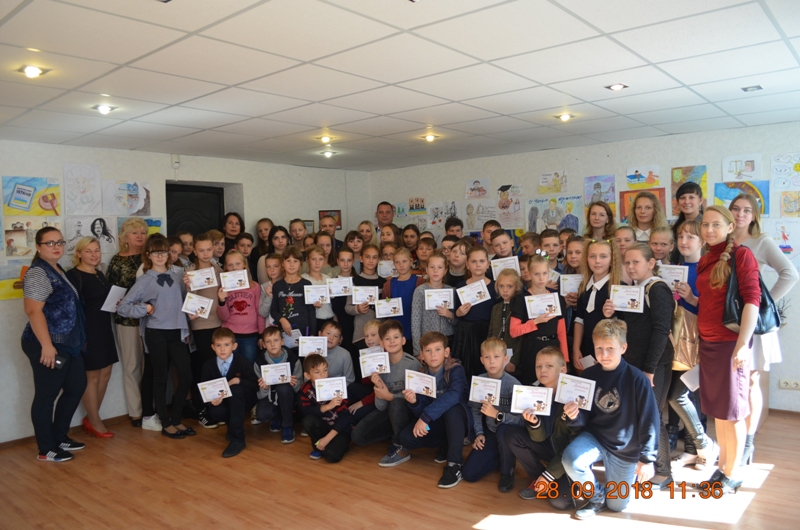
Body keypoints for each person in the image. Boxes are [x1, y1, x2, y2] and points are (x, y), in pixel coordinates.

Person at [561, 319, 660, 519]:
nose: (604, 355)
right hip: (596, 437)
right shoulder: (588, 375)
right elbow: (583, 418)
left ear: (623, 348)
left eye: (610, 348)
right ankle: (597, 496)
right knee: (571, 459)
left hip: (625, 448)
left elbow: (650, 421)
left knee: (617, 506)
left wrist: (647, 459)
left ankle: (620, 486)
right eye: (599, 348)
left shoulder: (637, 379)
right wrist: (574, 416)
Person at [696, 205, 762, 492]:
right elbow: (709, 300)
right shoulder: (706, 257)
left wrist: (743, 345)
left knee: (732, 411)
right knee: (719, 412)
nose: (709, 230)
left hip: (730, 345)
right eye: (705, 225)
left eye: (716, 225)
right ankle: (723, 466)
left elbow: (752, 300)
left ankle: (733, 473)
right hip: (709, 344)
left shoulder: (741, 255)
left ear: (730, 227)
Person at [731, 194, 798, 465]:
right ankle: (733, 439)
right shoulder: (721, 240)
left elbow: (790, 274)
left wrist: (762, 304)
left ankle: (748, 442)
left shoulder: (762, 242)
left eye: (747, 210)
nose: (740, 214)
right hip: (728, 321)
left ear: (754, 216)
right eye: (735, 209)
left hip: (754, 323)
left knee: (750, 382)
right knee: (733, 383)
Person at [601, 242, 674, 488]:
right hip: (634, 364)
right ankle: (640, 465)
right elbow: (630, 326)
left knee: (652, 416)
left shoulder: (658, 289)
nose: (631, 267)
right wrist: (612, 314)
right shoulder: (632, 290)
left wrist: (650, 369)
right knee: (638, 414)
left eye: (636, 262)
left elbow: (661, 331)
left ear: (651, 263)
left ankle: (663, 471)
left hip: (653, 365)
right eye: (627, 263)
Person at [117, 236, 193, 439]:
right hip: (156, 332)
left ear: (169, 254)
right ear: (148, 255)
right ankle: (165, 423)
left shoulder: (177, 276)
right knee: (160, 377)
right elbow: (123, 307)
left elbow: (185, 302)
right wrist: (145, 308)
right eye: (155, 252)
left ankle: (176, 418)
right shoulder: (144, 280)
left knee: (185, 376)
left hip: (176, 332)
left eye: (163, 252)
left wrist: (190, 290)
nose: (160, 256)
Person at [22, 227, 87, 462]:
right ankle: (46, 448)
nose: (56, 246)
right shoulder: (38, 273)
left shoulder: (57, 269)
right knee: (46, 394)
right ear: (38, 247)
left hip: (68, 343)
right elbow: (33, 311)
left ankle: (59, 436)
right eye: (49, 243)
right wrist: (47, 346)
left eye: (59, 242)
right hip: (46, 344)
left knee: (76, 386)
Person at [390, 331, 471, 489]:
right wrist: (415, 402)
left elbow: (454, 395)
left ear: (446, 352)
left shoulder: (456, 369)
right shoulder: (420, 375)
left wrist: (425, 417)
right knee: (406, 438)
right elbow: (420, 411)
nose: (433, 355)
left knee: (452, 408)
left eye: (437, 349)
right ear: (421, 355)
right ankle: (445, 443)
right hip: (436, 422)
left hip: (458, 422)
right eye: (428, 350)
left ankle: (454, 464)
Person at [500, 347, 577, 508]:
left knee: (560, 501)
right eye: (538, 366)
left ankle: (550, 478)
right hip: (549, 447)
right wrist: (534, 423)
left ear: (563, 370)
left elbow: (574, 447)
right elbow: (539, 438)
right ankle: (539, 479)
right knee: (512, 434)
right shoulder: (536, 394)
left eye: (549, 366)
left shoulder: (573, 398)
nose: (542, 370)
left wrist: (550, 474)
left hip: (569, 456)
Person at [669, 219, 717, 469]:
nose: (684, 241)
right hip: (675, 340)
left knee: (683, 395)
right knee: (682, 395)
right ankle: (693, 449)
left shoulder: (707, 269)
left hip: (698, 340)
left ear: (702, 241)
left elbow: (714, 310)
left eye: (690, 237)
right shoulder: (674, 268)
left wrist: (691, 298)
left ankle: (701, 445)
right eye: (680, 236)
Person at [66, 237, 118, 438]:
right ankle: (95, 421)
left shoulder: (99, 273)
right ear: (79, 254)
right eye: (88, 251)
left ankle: (91, 417)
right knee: (92, 376)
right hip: (87, 331)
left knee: (106, 373)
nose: (94, 254)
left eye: (97, 250)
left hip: (104, 328)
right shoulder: (73, 276)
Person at [462, 338, 523, 484]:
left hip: (509, 433)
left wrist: (498, 414)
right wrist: (479, 433)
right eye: (487, 357)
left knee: (502, 430)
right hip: (490, 431)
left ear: (505, 359)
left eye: (496, 357)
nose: (492, 362)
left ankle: (507, 470)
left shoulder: (514, 385)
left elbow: (522, 421)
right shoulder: (480, 381)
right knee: (469, 474)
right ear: (482, 360)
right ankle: (501, 456)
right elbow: (475, 410)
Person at [354, 320, 421, 451]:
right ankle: (394, 432)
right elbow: (381, 406)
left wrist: (390, 396)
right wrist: (378, 384)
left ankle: (399, 445)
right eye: (387, 338)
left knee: (396, 404)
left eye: (396, 337)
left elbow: (418, 399)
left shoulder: (413, 364)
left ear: (403, 340)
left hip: (407, 412)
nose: (392, 341)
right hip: (388, 411)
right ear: (382, 343)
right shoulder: (380, 366)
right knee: (358, 436)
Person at [107, 217, 148, 427]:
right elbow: (110, 291)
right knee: (132, 366)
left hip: (152, 319)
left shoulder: (151, 257)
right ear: (125, 237)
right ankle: (136, 412)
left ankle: (151, 408)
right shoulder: (117, 261)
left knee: (151, 366)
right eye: (135, 233)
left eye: (143, 232)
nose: (140, 236)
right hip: (127, 321)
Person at [183, 232, 223, 429]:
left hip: (219, 324)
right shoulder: (190, 272)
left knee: (217, 367)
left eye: (209, 249)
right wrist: (189, 287)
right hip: (200, 326)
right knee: (204, 367)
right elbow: (188, 302)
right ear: (194, 251)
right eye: (201, 250)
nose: (206, 254)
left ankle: (217, 409)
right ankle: (203, 410)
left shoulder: (218, 270)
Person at [510, 251, 568, 384]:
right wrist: (535, 322)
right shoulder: (521, 299)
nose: (541, 278)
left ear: (549, 273)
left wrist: (565, 358)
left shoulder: (557, 298)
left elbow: (561, 332)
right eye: (537, 274)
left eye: (544, 273)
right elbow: (513, 331)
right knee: (532, 386)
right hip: (531, 349)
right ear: (529, 274)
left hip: (553, 348)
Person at [199, 328, 258, 457]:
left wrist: (239, 380)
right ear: (213, 347)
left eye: (226, 345)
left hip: (245, 400)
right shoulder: (208, 365)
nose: (222, 349)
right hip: (223, 402)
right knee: (216, 412)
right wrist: (211, 401)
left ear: (234, 346)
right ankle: (232, 428)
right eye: (218, 345)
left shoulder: (242, 361)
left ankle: (238, 439)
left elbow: (255, 385)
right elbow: (203, 391)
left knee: (235, 390)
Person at [573, 238, 621, 370]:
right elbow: (579, 319)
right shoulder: (583, 286)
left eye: (603, 256)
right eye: (592, 256)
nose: (597, 261)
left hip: (608, 353)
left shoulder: (618, 288)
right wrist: (576, 348)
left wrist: (611, 316)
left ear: (612, 260)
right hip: (586, 349)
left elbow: (624, 326)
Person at [452, 247, 498, 376]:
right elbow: (456, 312)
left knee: (486, 367)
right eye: (474, 261)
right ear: (467, 265)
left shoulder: (495, 287)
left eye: (482, 261)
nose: (478, 265)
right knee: (465, 368)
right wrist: (459, 313)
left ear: (488, 264)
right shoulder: (461, 286)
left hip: (487, 331)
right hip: (466, 333)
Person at [300, 354, 352, 463]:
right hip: (323, 426)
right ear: (307, 375)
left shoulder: (336, 386)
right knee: (308, 420)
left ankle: (335, 444)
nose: (323, 375)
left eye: (325, 370)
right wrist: (327, 407)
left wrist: (327, 439)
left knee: (331, 456)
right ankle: (318, 446)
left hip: (339, 430)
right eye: (317, 372)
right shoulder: (305, 389)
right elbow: (306, 411)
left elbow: (345, 417)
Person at [254, 326, 303, 444]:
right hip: (270, 397)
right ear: (263, 344)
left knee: (284, 387)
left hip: (288, 397)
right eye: (268, 341)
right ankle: (277, 417)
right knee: (262, 415)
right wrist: (264, 388)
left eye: (276, 340)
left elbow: (301, 387)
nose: (272, 344)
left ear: (282, 341)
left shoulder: (293, 360)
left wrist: (295, 384)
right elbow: (257, 394)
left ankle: (288, 426)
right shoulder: (259, 363)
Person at [218, 249, 265, 364]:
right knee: (231, 367)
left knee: (248, 366)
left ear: (244, 265)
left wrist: (261, 334)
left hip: (250, 335)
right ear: (226, 267)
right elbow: (223, 317)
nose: (234, 268)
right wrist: (221, 301)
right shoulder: (223, 288)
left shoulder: (254, 286)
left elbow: (259, 312)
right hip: (229, 335)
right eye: (230, 265)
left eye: (238, 264)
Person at [411, 250, 455, 356]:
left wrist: (450, 315)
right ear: (426, 269)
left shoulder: (451, 291)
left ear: (445, 270)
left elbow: (457, 321)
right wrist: (417, 351)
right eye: (432, 267)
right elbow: (415, 322)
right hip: (428, 340)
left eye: (440, 267)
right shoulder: (420, 291)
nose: (435, 271)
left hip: (448, 340)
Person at [381, 248, 425, 350]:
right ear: (394, 264)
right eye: (397, 262)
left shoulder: (420, 282)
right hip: (395, 331)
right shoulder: (388, 284)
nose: (401, 265)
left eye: (404, 261)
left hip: (415, 329)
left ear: (411, 261)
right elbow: (384, 310)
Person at [488, 268, 523, 374]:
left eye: (509, 286)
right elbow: (491, 333)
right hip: (495, 356)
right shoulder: (496, 308)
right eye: (501, 286)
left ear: (516, 287)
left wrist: (514, 361)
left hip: (513, 358)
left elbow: (522, 339)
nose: (505, 290)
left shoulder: (520, 308)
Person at [302, 245, 335, 330]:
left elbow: (333, 299)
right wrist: (311, 305)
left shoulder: (328, 279)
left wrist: (332, 293)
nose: (317, 263)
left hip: (329, 317)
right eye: (313, 259)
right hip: (312, 319)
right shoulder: (303, 279)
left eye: (320, 259)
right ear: (307, 260)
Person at [670, 182, 703, 264]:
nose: (686, 201)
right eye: (682, 198)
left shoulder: (706, 226)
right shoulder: (675, 228)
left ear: (700, 200)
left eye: (691, 197)